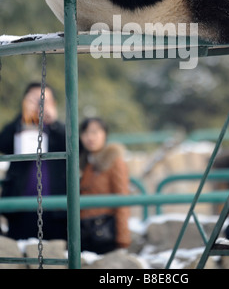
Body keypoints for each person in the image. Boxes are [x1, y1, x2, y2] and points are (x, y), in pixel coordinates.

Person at [0, 82, 67, 240]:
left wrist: (54, 122)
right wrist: (23, 115)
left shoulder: (58, 129)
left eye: (44, 100)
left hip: (55, 209)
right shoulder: (19, 125)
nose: (39, 104)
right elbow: (3, 143)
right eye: (34, 99)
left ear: (53, 104)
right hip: (21, 208)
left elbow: (75, 147)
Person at [79, 117, 131, 254]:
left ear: (105, 134)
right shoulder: (83, 161)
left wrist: (123, 239)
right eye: (85, 133)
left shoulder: (114, 161)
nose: (90, 137)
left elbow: (122, 200)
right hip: (83, 232)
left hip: (105, 231)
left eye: (95, 132)